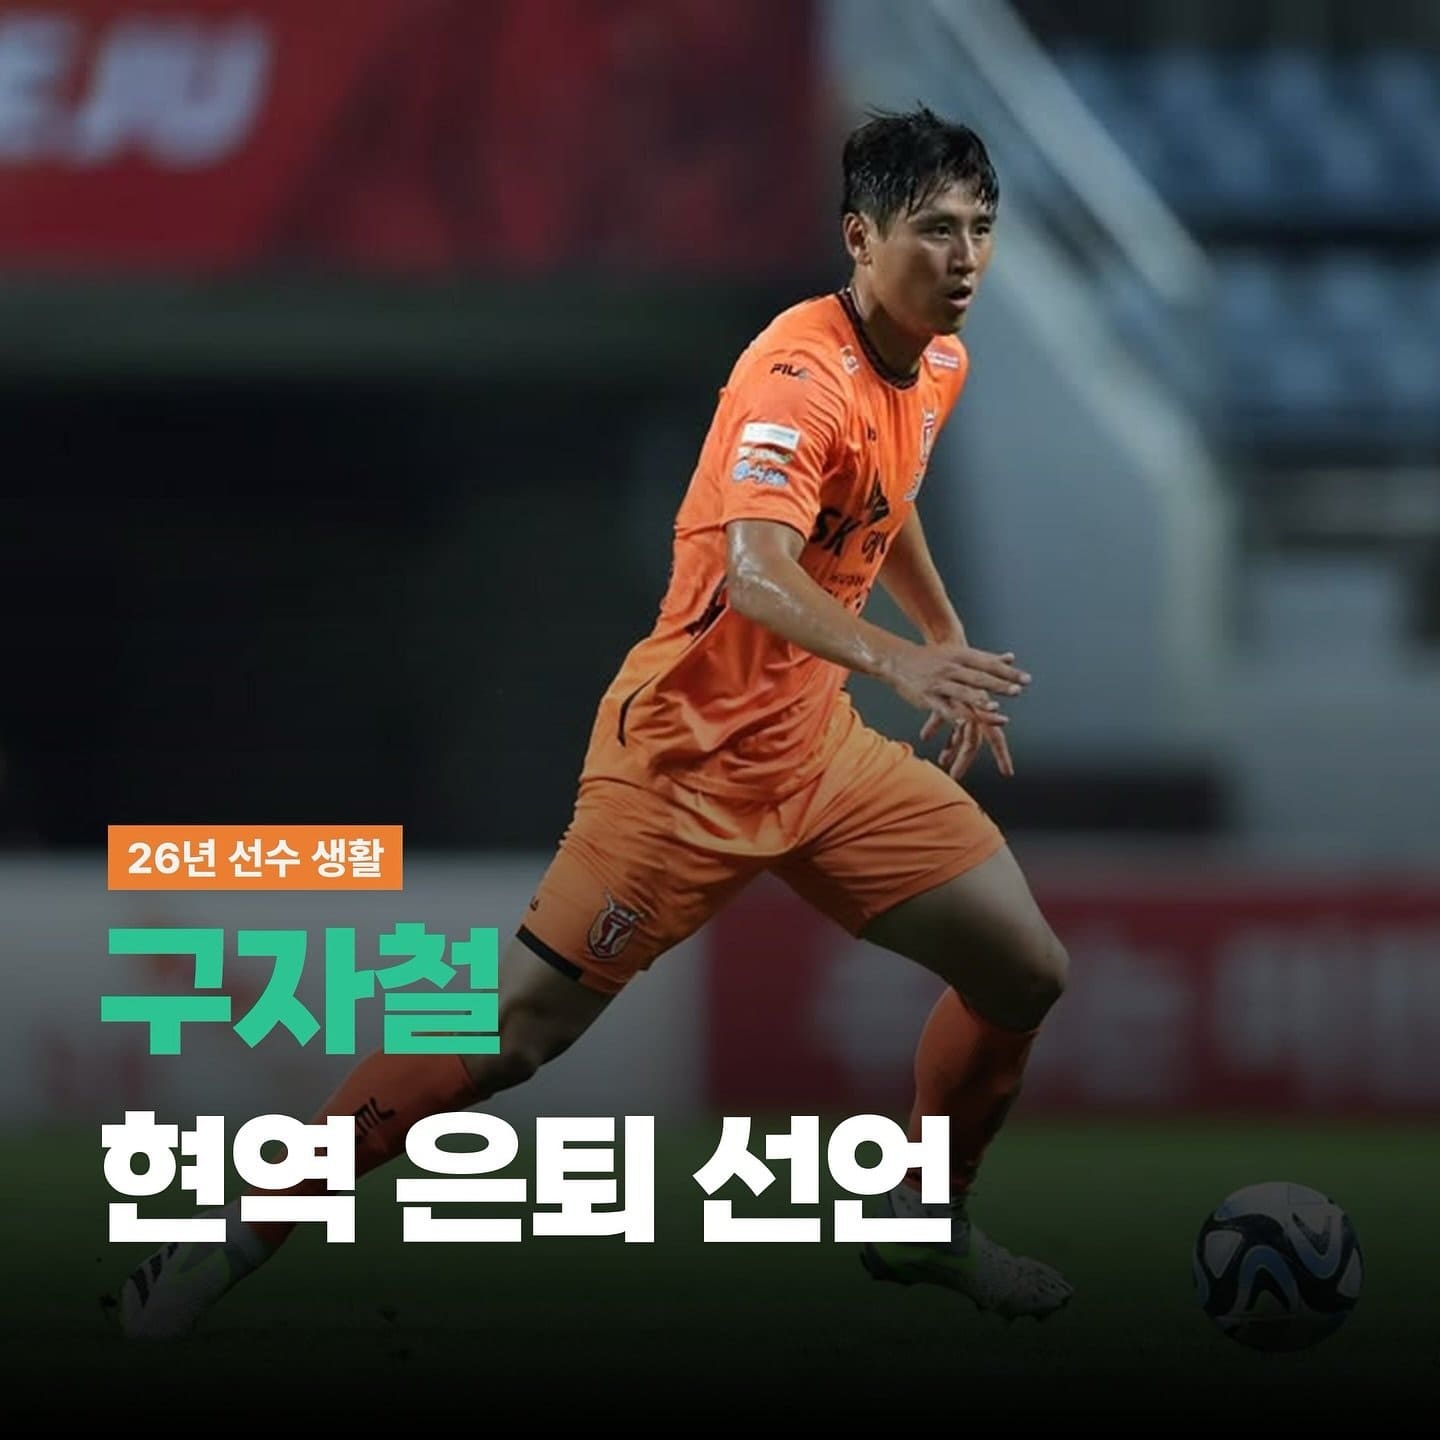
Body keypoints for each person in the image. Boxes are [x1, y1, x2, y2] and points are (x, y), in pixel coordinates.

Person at [119, 105, 1072, 1340]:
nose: (966, 258)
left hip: (820, 754)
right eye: (935, 230)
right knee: (509, 1036)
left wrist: (941, 632)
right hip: (684, 766)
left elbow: (884, 496)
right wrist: (903, 663)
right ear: (859, 237)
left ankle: (922, 1218)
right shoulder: (795, 379)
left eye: (980, 229)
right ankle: (233, 1233)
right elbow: (759, 575)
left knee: (1023, 971)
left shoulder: (936, 362)